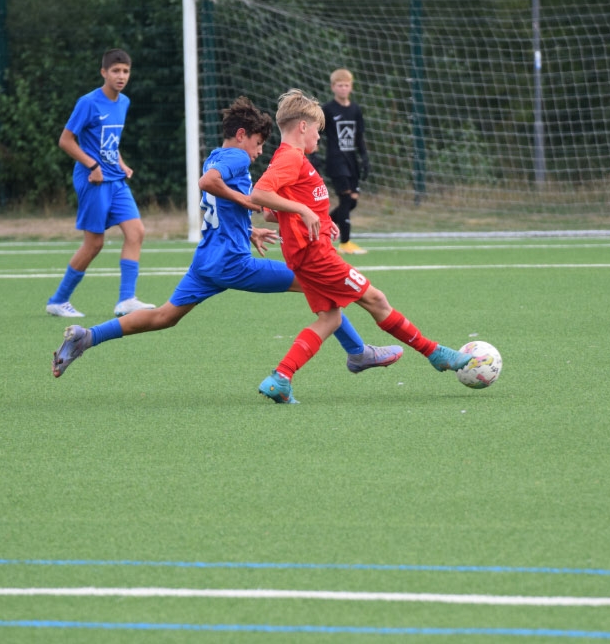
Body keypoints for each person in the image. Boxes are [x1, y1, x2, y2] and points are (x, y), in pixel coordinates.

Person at [52, 96, 402, 378]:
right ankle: (359, 353)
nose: (259, 150)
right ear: (240, 134)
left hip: (208, 260)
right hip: (233, 263)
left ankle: (88, 337)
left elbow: (216, 202)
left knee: (164, 317)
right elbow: (208, 185)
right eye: (258, 142)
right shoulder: (234, 157)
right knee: (321, 283)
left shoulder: (218, 156)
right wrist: (247, 202)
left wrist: (248, 228)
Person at [251, 89, 472, 404]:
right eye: (318, 130)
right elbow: (260, 194)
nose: (319, 136)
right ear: (302, 127)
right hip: (316, 256)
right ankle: (434, 353)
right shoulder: (290, 157)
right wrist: (305, 212)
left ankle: (281, 377)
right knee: (377, 300)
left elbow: (275, 212)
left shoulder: (294, 159)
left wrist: (322, 221)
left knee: (330, 318)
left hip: (306, 254)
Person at [46, 48, 155, 319]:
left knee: (136, 232)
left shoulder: (124, 102)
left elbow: (109, 142)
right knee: (94, 244)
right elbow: (66, 140)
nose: (121, 76)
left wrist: (120, 162)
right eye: (115, 71)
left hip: (115, 179)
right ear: (103, 72)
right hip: (93, 180)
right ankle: (58, 301)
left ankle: (126, 300)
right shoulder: (89, 102)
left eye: (125, 71)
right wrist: (92, 166)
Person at [321, 68, 370, 255]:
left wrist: (364, 157)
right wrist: (315, 155)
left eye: (346, 85)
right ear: (333, 87)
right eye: (339, 85)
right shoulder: (327, 109)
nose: (343, 89)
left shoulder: (355, 109)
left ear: (351, 87)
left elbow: (359, 137)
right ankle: (345, 242)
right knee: (345, 199)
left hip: (351, 161)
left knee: (352, 202)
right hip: (336, 160)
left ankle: (321, 224)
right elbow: (317, 134)